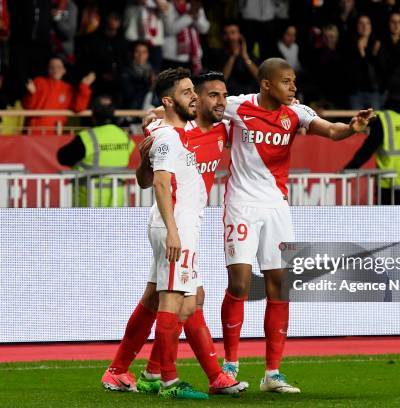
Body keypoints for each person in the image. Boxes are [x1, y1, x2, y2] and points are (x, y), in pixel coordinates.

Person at [219, 58, 373, 393]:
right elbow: (202, 107)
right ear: (266, 84)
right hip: (241, 205)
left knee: (280, 284)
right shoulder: (237, 106)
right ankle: (229, 366)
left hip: (277, 206)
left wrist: (352, 128)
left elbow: (332, 131)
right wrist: (161, 117)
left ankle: (272, 374)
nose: (293, 87)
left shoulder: (297, 113)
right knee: (241, 284)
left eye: (294, 82)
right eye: (286, 82)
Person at [102, 72, 248, 397]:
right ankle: (167, 379)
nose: (194, 97)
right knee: (179, 301)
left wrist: (143, 158)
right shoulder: (170, 134)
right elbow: (159, 183)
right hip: (176, 226)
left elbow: (145, 177)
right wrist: (172, 232)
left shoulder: (173, 133)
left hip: (179, 223)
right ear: (169, 101)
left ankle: (120, 371)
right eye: (188, 93)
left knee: (159, 298)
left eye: (194, 92)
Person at [56, 94, 135, 206]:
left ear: (93, 115)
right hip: (117, 203)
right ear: (113, 113)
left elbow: (63, 158)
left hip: (89, 202)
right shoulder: (124, 136)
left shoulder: (88, 137)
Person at [22, 57, 95, 135]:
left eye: (58, 67)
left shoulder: (68, 88)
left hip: (56, 133)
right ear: (47, 70)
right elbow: (27, 106)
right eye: (52, 67)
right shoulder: (39, 82)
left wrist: (84, 86)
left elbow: (78, 108)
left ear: (64, 70)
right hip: (33, 133)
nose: (55, 69)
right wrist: (30, 94)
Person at [207, 21, 259, 96]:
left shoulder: (250, 55)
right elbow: (221, 80)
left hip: (249, 97)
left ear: (240, 35)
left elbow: (259, 78)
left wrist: (245, 58)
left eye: (233, 33)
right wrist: (233, 57)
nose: (230, 37)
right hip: (228, 98)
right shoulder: (216, 55)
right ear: (222, 36)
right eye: (226, 34)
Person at [161, 0, 210, 74]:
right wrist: (189, 16)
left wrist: (196, 18)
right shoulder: (169, 5)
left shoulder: (194, 5)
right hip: (172, 57)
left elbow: (204, 29)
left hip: (193, 57)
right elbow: (169, 29)